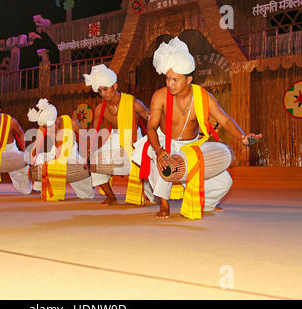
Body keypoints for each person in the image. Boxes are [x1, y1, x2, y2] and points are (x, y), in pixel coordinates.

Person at [137, 37, 262, 219]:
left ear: (189, 80)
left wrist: (242, 137)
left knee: (224, 181)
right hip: (164, 142)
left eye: (175, 80)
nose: (170, 84)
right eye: (168, 78)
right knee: (166, 158)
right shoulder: (160, 96)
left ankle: (206, 204)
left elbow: (225, 120)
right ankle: (164, 204)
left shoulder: (203, 97)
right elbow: (151, 127)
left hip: (192, 146)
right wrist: (158, 150)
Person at [83, 64, 152, 206]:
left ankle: (150, 194)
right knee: (94, 162)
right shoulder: (100, 108)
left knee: (141, 167)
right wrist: (88, 152)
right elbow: (94, 131)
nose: (103, 94)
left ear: (114, 86)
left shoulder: (132, 102)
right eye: (100, 91)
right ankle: (111, 197)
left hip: (134, 139)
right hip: (114, 139)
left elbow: (149, 116)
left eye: (105, 89)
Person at [27, 98, 94, 201]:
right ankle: (38, 188)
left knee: (86, 195)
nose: (46, 128)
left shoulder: (72, 123)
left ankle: (89, 182)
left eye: (48, 126)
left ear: (56, 120)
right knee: (39, 158)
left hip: (70, 153)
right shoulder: (43, 127)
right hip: (55, 152)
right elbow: (36, 148)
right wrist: (31, 166)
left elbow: (85, 137)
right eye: (44, 126)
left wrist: (88, 155)